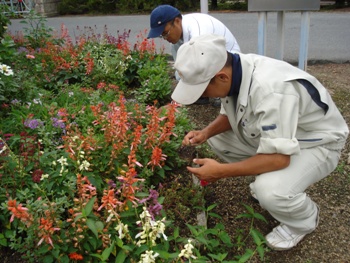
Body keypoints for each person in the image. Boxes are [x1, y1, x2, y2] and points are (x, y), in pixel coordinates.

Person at [171, 34, 349, 250]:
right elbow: (230, 114)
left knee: (269, 190)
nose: (202, 95)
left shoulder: (270, 90)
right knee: (218, 139)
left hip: (318, 143)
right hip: (289, 135)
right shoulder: (235, 69)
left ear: (221, 78)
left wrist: (221, 171)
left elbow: (278, 159)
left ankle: (304, 221)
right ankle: (273, 180)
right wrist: (205, 132)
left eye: (202, 89)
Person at [147, 4, 240, 107]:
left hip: (228, 60)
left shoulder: (198, 33)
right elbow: (182, 71)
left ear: (177, 21)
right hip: (212, 58)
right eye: (162, 35)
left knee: (203, 79)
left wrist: (175, 104)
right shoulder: (176, 40)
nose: (165, 38)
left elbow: (201, 65)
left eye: (165, 33)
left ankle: (218, 96)